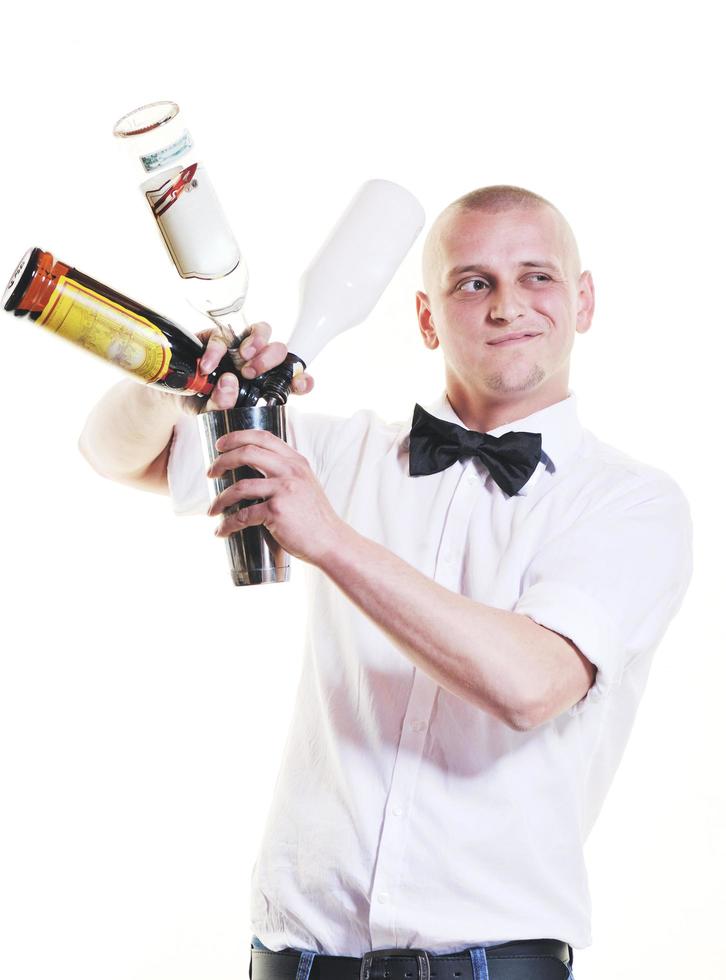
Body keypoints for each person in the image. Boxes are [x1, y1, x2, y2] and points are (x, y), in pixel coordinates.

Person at [78, 185, 694, 980]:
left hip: (495, 966)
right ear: (427, 317)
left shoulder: (630, 502)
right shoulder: (339, 458)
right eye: (473, 282)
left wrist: (328, 538)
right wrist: (180, 382)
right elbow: (117, 453)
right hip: (298, 959)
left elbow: (529, 685)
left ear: (582, 300)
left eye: (536, 276)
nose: (507, 306)